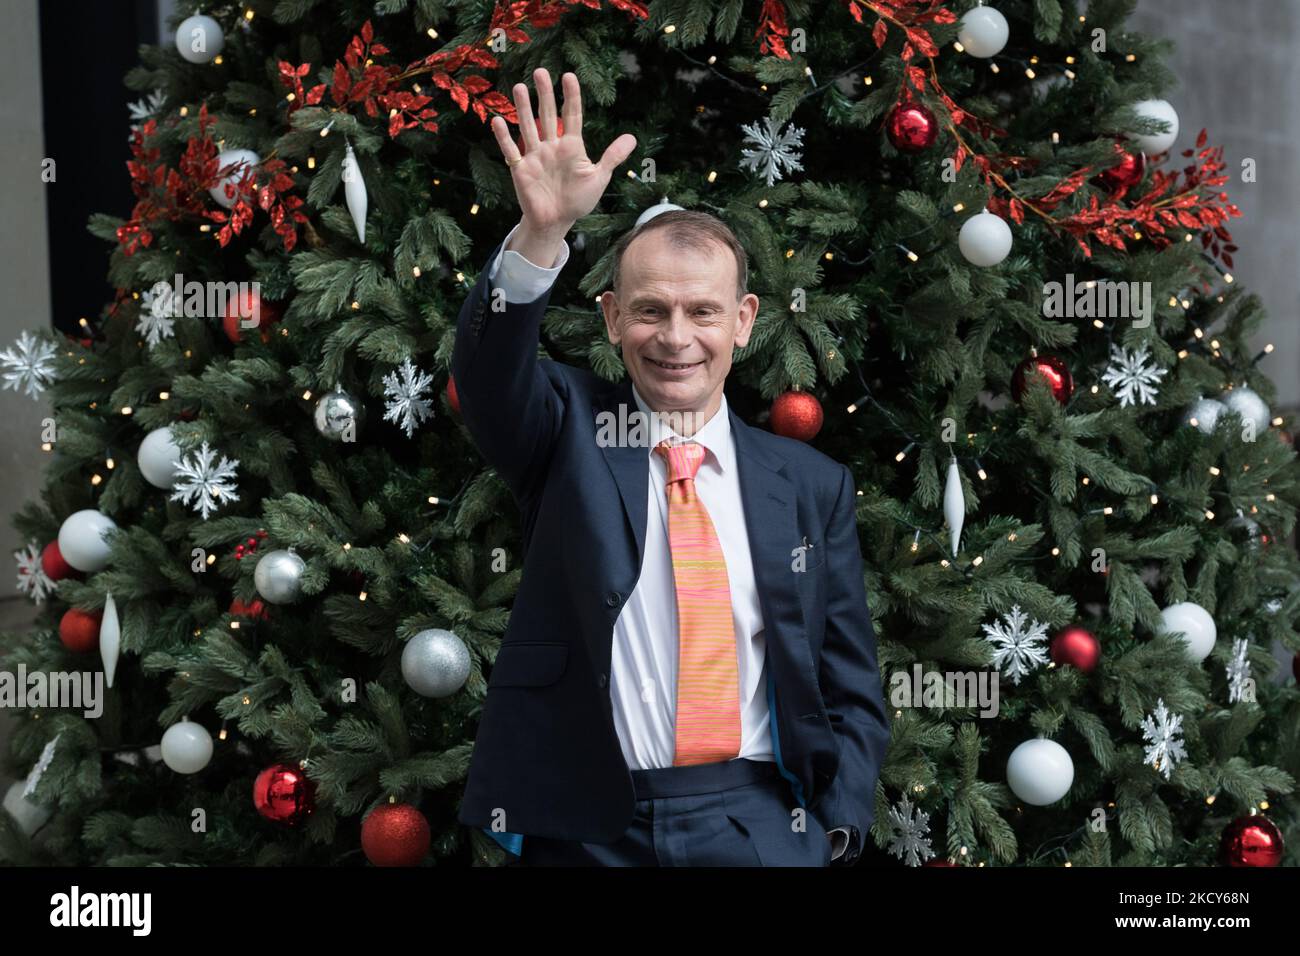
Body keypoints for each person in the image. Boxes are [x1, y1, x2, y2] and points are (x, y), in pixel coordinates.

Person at [452, 67, 889, 866]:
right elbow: (486, 377)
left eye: (702, 312)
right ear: (614, 319)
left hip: (756, 818)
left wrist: (834, 830)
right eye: (650, 309)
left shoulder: (812, 488)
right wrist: (541, 236)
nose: (675, 336)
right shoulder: (567, 431)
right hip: (590, 826)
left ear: (744, 322)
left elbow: (849, 685)